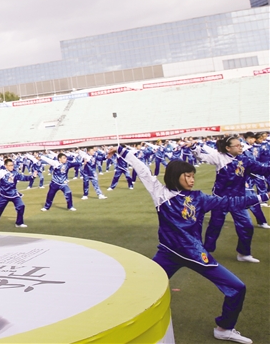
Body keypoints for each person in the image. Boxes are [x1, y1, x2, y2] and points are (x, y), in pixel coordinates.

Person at [109, 145, 267, 344]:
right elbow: (143, 170)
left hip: (195, 254)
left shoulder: (199, 198)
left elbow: (229, 202)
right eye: (187, 176)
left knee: (237, 287)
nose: (192, 180)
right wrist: (121, 150)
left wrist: (262, 197)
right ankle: (121, 323)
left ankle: (224, 328)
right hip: (167, 254)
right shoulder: (160, 194)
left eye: (193, 176)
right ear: (176, 176)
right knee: (140, 289)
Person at [195, 136, 270, 263]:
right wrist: (193, 148)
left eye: (241, 145)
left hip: (238, 200)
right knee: (215, 226)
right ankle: (206, 251)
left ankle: (244, 253)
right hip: (220, 199)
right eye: (237, 145)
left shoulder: (245, 160)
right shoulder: (219, 157)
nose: (241, 147)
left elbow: (262, 170)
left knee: (246, 226)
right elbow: (202, 157)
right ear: (228, 148)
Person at [0, 158, 28, 228]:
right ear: (5, 166)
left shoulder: (15, 173)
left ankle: (19, 223)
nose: (11, 167)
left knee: (21, 206)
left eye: (12, 165)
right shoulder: (1, 172)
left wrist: (32, 176)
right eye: (10, 165)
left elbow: (23, 177)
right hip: (3, 195)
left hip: (14, 194)